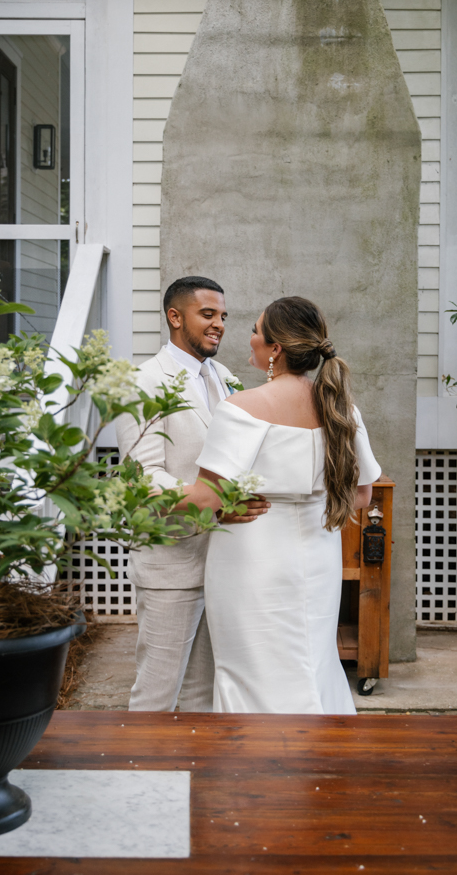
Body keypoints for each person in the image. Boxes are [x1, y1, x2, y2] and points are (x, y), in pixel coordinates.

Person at [177, 296, 381, 713]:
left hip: (251, 559)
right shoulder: (341, 409)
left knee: (252, 670)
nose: (248, 338)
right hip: (318, 558)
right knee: (313, 662)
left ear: (275, 350)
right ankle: (320, 766)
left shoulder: (241, 409)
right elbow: (362, 496)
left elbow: (203, 500)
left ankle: (256, 770)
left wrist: (141, 490)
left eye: (255, 330)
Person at [115, 276, 268, 712]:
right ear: (175, 317)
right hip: (172, 559)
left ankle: (190, 778)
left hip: (223, 561)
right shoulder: (142, 380)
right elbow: (143, 478)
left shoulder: (223, 377)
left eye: (223, 316)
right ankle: (140, 779)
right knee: (157, 693)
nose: (219, 324)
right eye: (208, 314)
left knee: (205, 692)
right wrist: (216, 503)